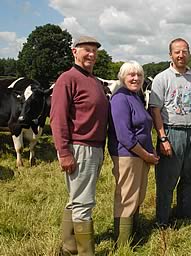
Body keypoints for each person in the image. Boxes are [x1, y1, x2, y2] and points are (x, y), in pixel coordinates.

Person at [50, 35, 108, 255]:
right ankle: (86, 252)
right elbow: (57, 118)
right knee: (84, 202)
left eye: (94, 50)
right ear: (74, 51)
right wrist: (64, 152)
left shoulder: (93, 80)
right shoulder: (68, 78)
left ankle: (69, 246)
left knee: (76, 198)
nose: (91, 55)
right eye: (86, 50)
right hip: (80, 147)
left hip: (94, 148)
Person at [149, 38, 191, 227]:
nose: (181, 55)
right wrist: (163, 138)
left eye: (184, 51)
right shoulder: (162, 78)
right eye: (177, 52)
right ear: (170, 55)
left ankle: (185, 216)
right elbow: (155, 110)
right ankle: (163, 221)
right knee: (167, 180)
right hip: (171, 131)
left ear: (189, 53)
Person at [108, 61, 159, 246]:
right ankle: (122, 244)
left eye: (139, 75)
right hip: (127, 155)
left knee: (137, 196)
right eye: (131, 75)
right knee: (127, 198)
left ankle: (133, 236)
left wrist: (148, 153)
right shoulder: (120, 98)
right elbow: (124, 135)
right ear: (122, 77)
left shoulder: (135, 96)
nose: (136, 78)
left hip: (140, 155)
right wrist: (146, 155)